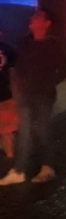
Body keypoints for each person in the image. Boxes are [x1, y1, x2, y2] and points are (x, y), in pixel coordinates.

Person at [0, 9, 66, 186]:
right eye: (32, 19)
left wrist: (47, 83)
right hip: (25, 95)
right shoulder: (25, 43)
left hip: (44, 95)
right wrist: (18, 87)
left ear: (46, 23)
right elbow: (17, 67)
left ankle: (47, 167)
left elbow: (63, 70)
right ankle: (19, 170)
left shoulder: (53, 44)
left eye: (37, 19)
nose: (32, 21)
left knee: (43, 130)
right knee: (25, 131)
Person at [0, 32, 18, 166]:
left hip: (5, 95)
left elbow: (15, 71)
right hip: (6, 94)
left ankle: (10, 158)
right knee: (6, 130)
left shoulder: (9, 49)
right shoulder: (9, 49)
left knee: (6, 130)